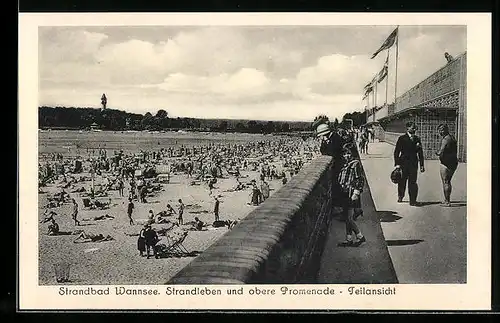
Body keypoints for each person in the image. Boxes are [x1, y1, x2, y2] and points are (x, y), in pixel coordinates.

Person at [337, 147, 366, 247]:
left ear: (352, 153)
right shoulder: (346, 163)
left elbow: (360, 179)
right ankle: (349, 239)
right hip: (345, 193)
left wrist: (356, 192)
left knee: (349, 217)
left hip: (351, 193)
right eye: (344, 154)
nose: (346, 156)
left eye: (348, 153)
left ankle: (360, 236)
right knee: (347, 216)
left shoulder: (355, 163)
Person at [394, 121, 425, 206]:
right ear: (408, 128)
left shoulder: (417, 139)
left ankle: (413, 200)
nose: (415, 129)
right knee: (402, 181)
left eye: (415, 127)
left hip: (413, 164)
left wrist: (422, 165)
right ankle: (400, 196)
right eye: (413, 127)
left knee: (413, 182)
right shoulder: (402, 138)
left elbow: (420, 153)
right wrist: (397, 164)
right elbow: (396, 152)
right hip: (403, 163)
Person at [435, 124, 458, 207]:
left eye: (441, 130)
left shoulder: (445, 139)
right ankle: (446, 199)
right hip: (454, 162)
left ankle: (447, 201)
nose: (440, 132)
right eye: (439, 130)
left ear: (445, 130)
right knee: (448, 181)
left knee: (445, 182)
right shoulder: (452, 137)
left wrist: (437, 153)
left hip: (446, 162)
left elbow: (441, 151)